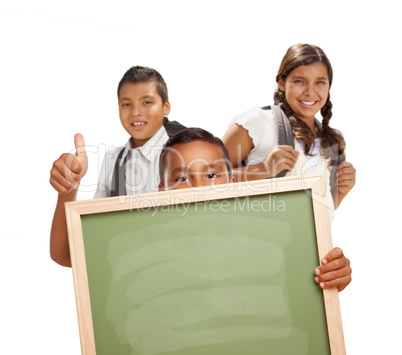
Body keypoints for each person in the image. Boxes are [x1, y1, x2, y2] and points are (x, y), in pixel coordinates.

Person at [159, 127, 352, 292]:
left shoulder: (269, 242)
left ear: (232, 184)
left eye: (211, 175)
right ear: (160, 192)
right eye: (182, 179)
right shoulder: (151, 251)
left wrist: (333, 274)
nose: (199, 188)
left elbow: (299, 280)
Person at [49, 66, 185, 267]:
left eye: (147, 102)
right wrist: (68, 189)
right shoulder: (114, 161)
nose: (136, 112)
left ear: (166, 107)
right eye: (126, 104)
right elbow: (69, 254)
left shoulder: (188, 152)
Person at [222, 43, 356, 211]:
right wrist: (263, 169)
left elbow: (321, 213)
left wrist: (341, 191)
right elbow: (204, 179)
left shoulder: (330, 140)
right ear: (281, 82)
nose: (310, 91)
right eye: (300, 81)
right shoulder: (259, 121)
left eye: (320, 82)